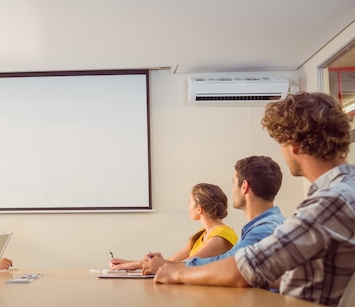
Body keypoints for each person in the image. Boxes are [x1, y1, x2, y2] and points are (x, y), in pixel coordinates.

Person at [154, 92, 355, 306]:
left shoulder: (330, 201)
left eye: (280, 143)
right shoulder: (343, 190)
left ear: (293, 145)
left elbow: (246, 269)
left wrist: (175, 274)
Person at [141, 155, 285, 274]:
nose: (232, 190)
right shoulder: (261, 226)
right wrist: (165, 264)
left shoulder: (264, 229)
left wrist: (166, 267)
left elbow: (233, 267)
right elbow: (225, 260)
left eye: (233, 183)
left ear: (244, 186)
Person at [110, 183, 238, 271]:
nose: (188, 207)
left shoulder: (221, 236)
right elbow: (170, 262)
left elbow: (186, 265)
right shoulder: (202, 234)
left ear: (199, 209)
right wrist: (133, 263)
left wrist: (138, 264)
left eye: (190, 203)